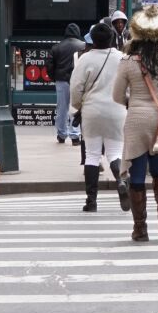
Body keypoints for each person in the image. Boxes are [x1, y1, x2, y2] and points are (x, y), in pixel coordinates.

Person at [112, 7, 158, 241]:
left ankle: (140, 228)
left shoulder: (128, 61)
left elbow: (117, 95)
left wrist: (132, 102)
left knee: (138, 174)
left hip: (137, 119)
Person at [70, 21, 126, 213]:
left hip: (92, 111)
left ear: (92, 39)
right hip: (117, 109)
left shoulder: (85, 59)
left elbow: (76, 89)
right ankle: (120, 180)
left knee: (92, 155)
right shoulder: (122, 58)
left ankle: (91, 200)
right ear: (112, 38)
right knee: (115, 152)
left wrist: (78, 106)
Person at [49, 23, 86, 145]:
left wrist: (54, 78)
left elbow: (50, 66)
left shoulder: (57, 47)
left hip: (61, 80)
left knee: (62, 108)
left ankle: (61, 134)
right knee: (75, 107)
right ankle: (75, 135)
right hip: (78, 80)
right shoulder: (83, 46)